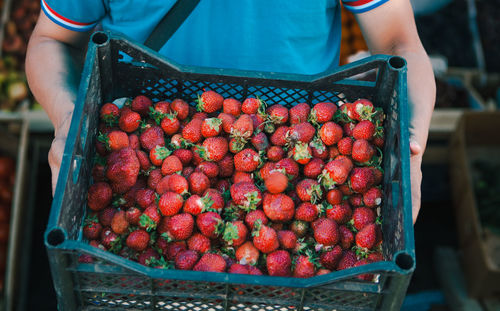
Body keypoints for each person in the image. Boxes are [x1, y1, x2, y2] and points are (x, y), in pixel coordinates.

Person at [25, 0, 435, 224]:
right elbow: (52, 41)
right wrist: (69, 122)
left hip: (294, 164)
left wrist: (410, 142)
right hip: (139, 170)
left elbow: (399, 42)